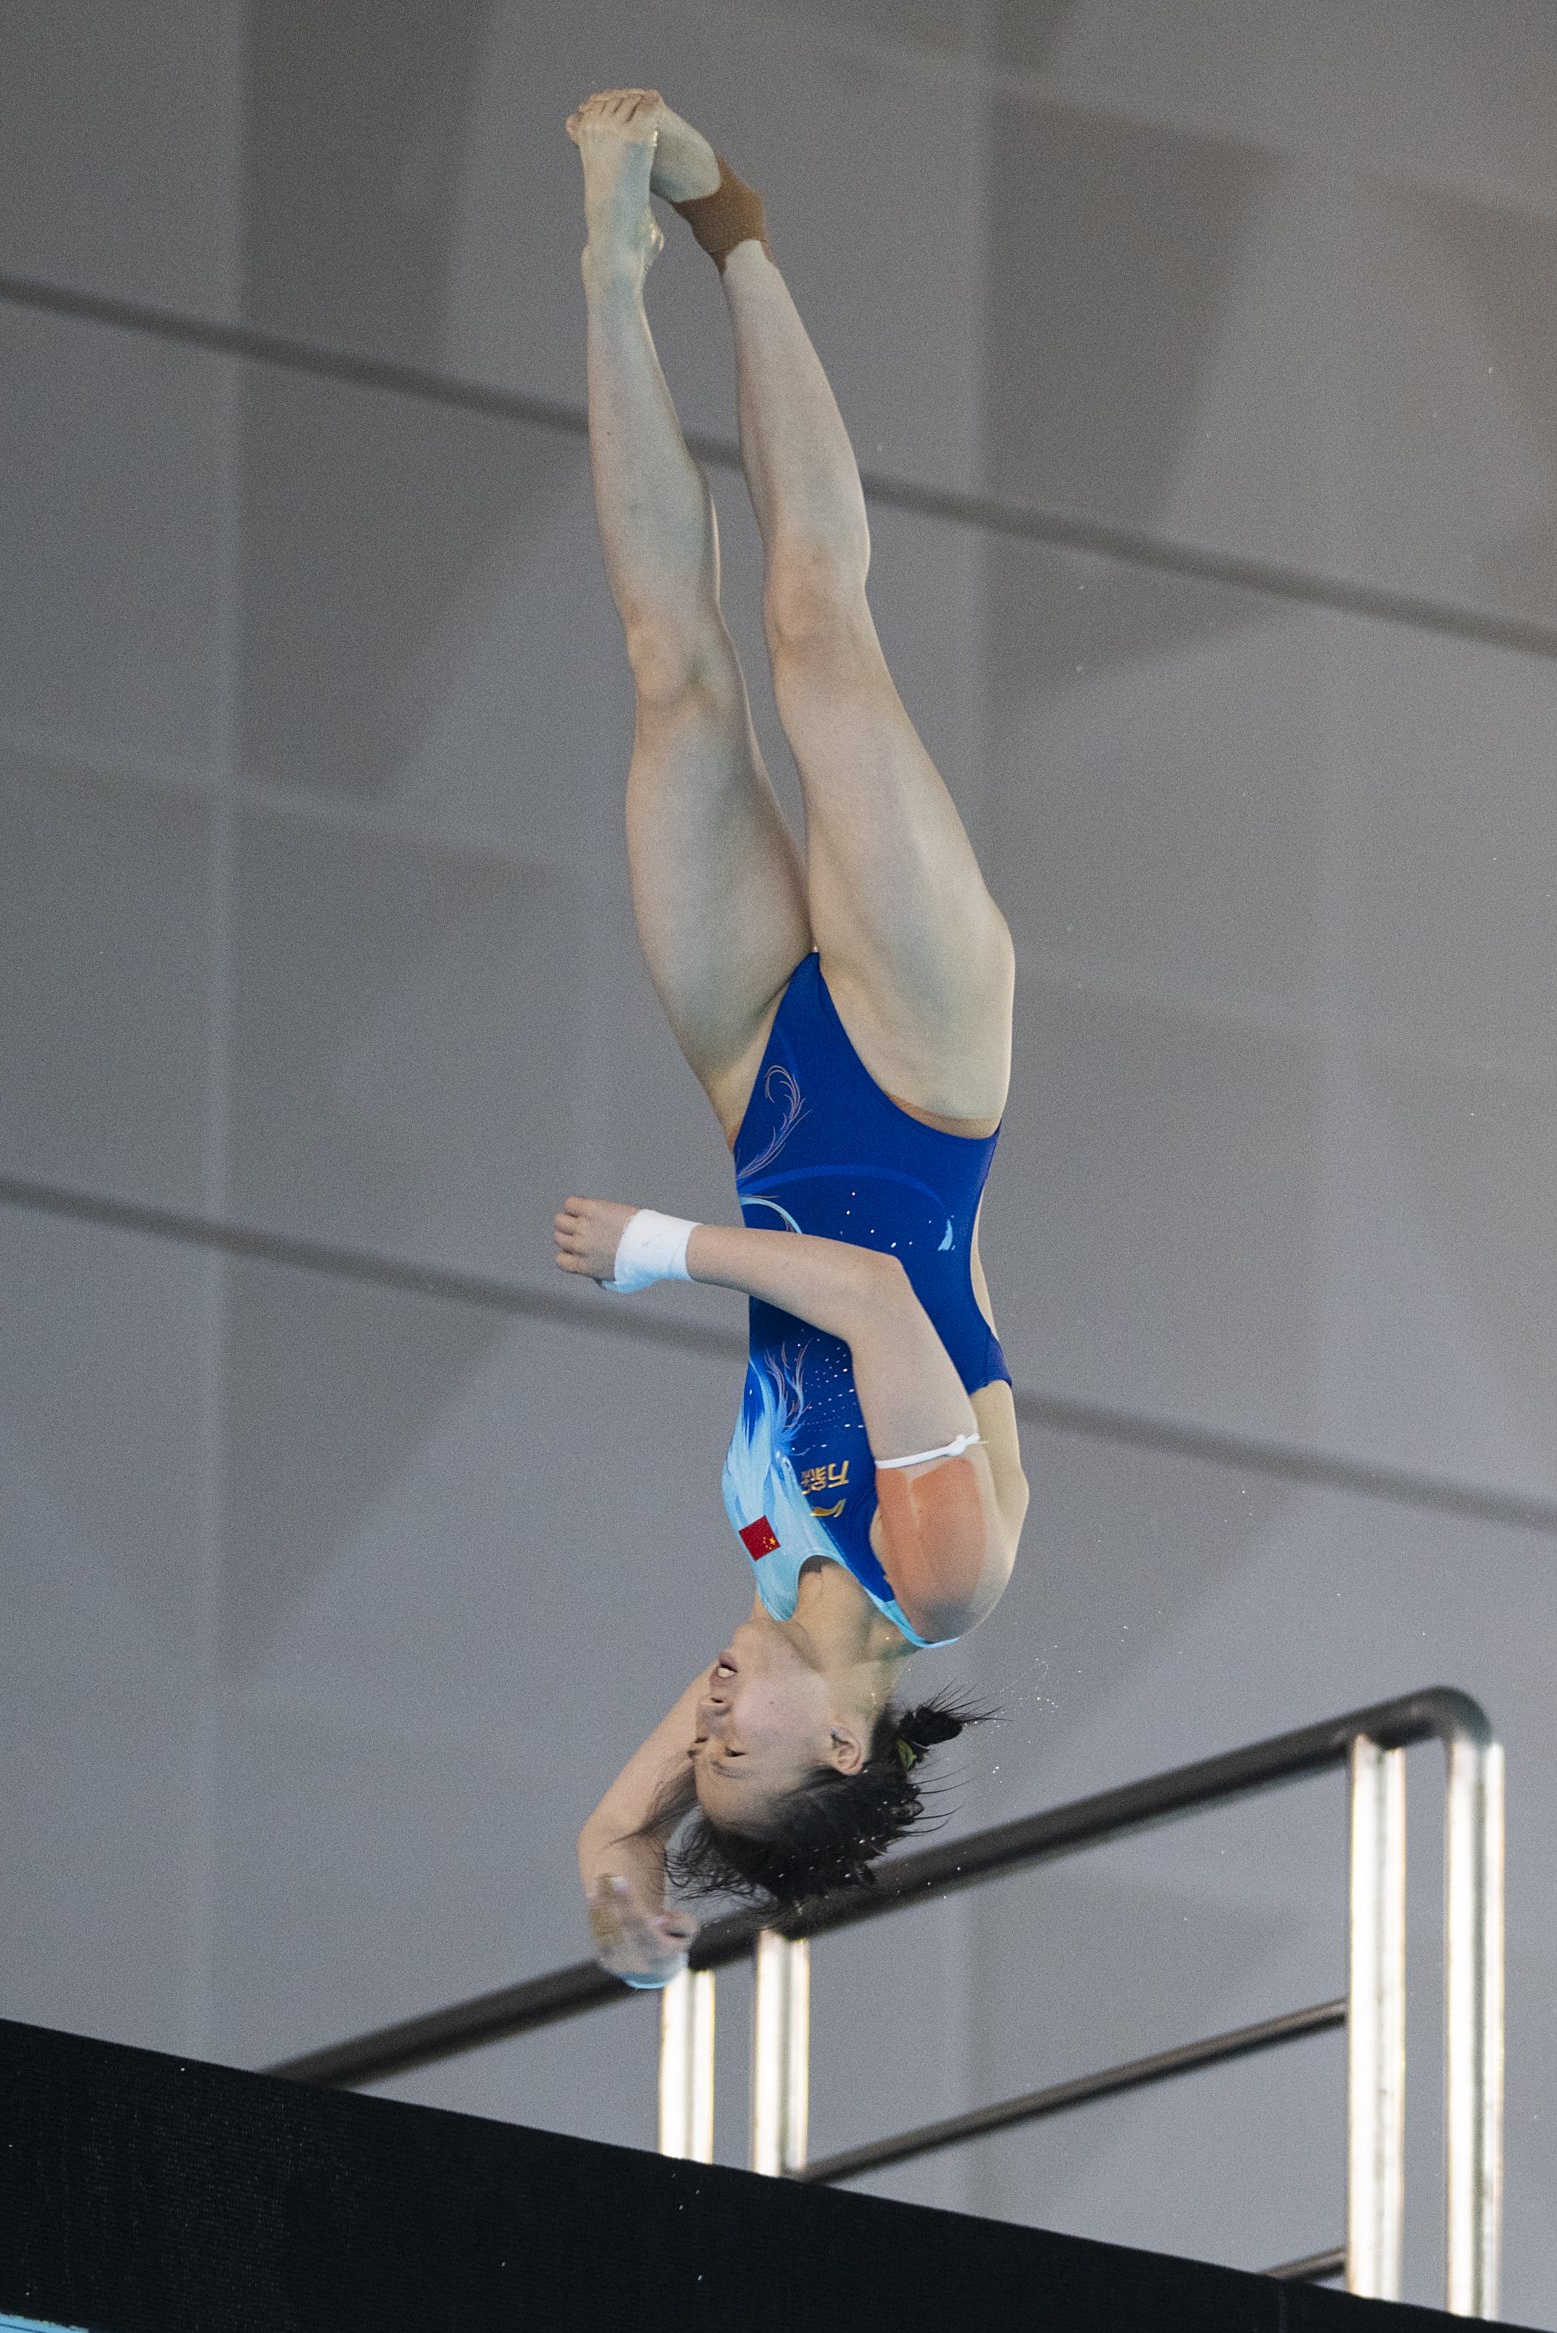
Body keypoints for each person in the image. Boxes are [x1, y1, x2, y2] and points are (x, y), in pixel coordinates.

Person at [556, 88, 1027, 1981]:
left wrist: (625, 1883)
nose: (701, 1718)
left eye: (697, 1744)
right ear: (842, 1736)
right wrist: (661, 1253)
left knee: (676, 673)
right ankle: (737, 228)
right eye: (729, 1738)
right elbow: (879, 1307)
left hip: (766, 1086)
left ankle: (603, 267)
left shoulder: (772, 1585)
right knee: (818, 623)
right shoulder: (939, 1578)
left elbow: (621, 1817)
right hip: (919, 1074)